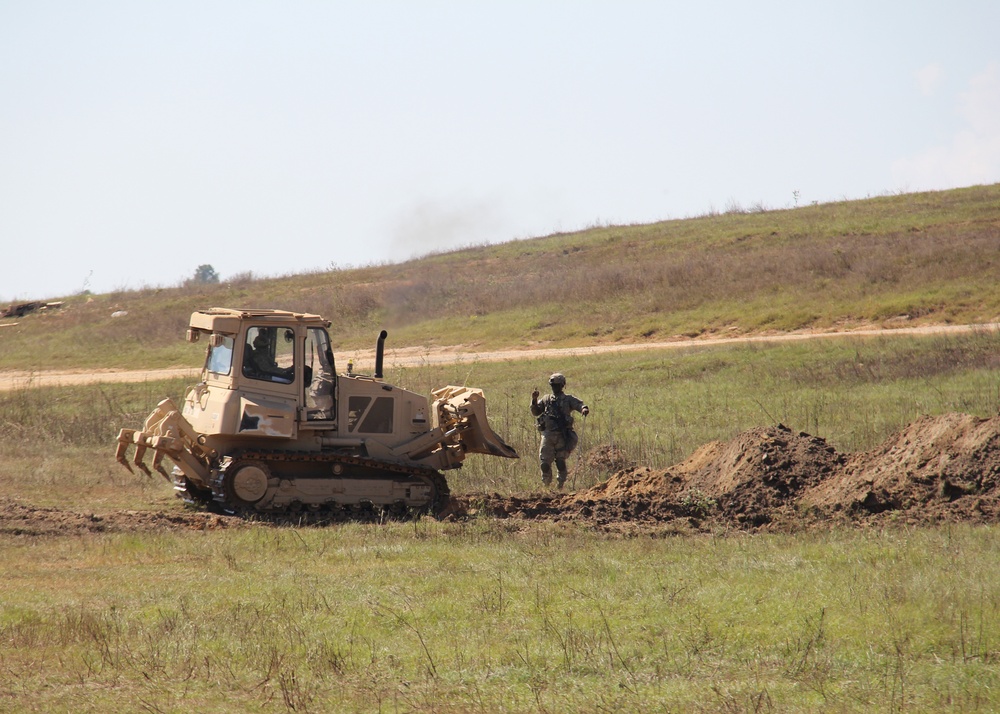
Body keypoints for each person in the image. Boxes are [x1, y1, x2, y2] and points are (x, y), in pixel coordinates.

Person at [530, 372, 590, 489]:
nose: (554, 388)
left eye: (557, 385)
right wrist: (534, 399)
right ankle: (546, 486)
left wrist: (583, 409)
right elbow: (536, 412)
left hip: (562, 435)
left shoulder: (568, 399)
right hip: (547, 434)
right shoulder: (546, 399)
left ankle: (560, 486)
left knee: (560, 461)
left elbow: (579, 404)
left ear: (562, 385)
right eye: (553, 386)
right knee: (545, 463)